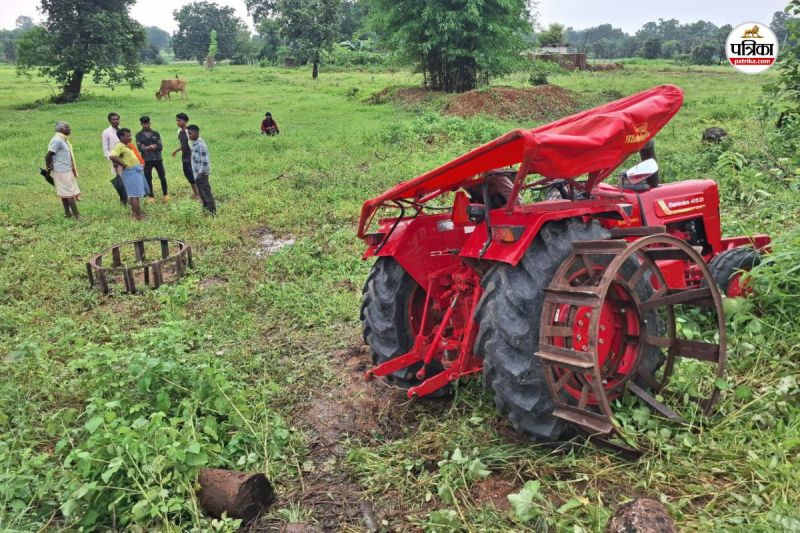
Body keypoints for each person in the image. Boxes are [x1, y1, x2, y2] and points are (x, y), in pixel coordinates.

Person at [109, 128, 150, 221]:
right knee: (134, 195)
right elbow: (112, 156)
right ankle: (139, 216)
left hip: (135, 171)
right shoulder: (119, 146)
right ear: (121, 137)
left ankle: (136, 213)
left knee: (134, 194)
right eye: (127, 136)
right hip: (130, 172)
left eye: (130, 135)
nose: (130, 137)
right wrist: (123, 164)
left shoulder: (127, 146)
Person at [45, 121, 80, 219]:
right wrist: (48, 168)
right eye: (67, 128)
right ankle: (77, 215)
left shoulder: (62, 139)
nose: (70, 129)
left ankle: (67, 214)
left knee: (64, 193)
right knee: (69, 194)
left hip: (66, 169)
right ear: (61, 129)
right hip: (62, 171)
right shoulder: (57, 140)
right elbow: (48, 156)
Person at [136, 116, 169, 203]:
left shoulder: (156, 134)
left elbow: (160, 147)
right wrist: (152, 146)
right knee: (148, 178)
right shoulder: (138, 135)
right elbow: (140, 148)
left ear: (150, 123)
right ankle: (151, 196)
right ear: (141, 124)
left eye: (147, 123)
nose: (146, 125)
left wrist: (147, 147)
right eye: (144, 124)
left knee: (162, 176)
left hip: (157, 158)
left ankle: (165, 194)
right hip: (146, 160)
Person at [187, 124, 216, 215]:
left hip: (201, 174)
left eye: (190, 133)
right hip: (197, 174)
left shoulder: (200, 145)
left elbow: (205, 162)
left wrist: (201, 174)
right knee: (202, 193)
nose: (189, 135)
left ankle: (212, 212)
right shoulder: (194, 143)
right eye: (188, 133)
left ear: (196, 133)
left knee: (206, 193)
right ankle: (206, 209)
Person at [171, 112, 200, 199]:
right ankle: (196, 193)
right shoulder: (179, 132)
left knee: (193, 175)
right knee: (188, 175)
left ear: (185, 121)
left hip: (191, 158)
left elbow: (195, 144)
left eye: (179, 120)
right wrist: (176, 151)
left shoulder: (190, 132)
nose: (177, 122)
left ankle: (197, 194)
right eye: (176, 120)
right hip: (185, 158)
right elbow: (183, 145)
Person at [102, 112, 127, 205]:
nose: (116, 121)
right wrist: (112, 160)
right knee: (120, 180)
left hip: (125, 159)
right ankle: (123, 200)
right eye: (113, 119)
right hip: (116, 160)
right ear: (109, 121)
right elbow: (105, 148)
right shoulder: (106, 132)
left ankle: (127, 198)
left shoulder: (122, 130)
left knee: (127, 178)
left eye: (117, 119)